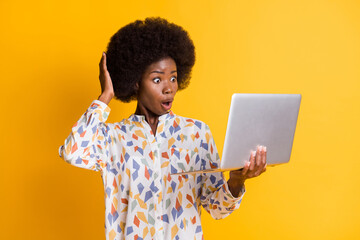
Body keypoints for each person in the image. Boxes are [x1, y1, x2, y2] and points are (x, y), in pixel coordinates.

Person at [59, 17, 267, 240]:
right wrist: (105, 96)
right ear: (136, 82)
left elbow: (216, 209)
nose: (169, 88)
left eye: (174, 78)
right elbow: (72, 151)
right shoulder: (114, 137)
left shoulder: (196, 134)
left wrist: (236, 181)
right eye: (157, 80)